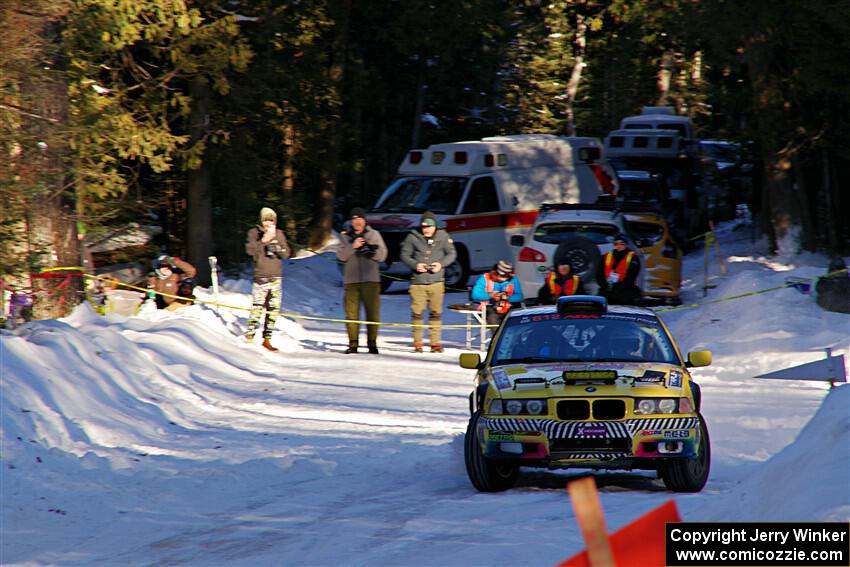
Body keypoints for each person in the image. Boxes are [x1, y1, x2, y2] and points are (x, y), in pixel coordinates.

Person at [400, 211, 457, 353]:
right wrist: (415, 265)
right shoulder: (412, 237)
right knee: (417, 313)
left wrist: (441, 264)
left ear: (435, 227)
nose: (426, 229)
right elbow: (404, 255)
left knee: (436, 313)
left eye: (429, 227)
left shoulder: (443, 236)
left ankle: (435, 343)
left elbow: (452, 254)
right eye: (424, 226)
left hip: (436, 282)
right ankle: (418, 342)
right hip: (418, 283)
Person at [336, 207, 388, 354]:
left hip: (371, 280)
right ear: (351, 221)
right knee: (352, 314)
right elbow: (340, 256)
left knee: (373, 313)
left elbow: (383, 255)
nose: (357, 222)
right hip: (351, 281)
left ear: (365, 221)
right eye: (354, 219)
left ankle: (372, 343)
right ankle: (353, 344)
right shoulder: (344, 237)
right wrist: (353, 247)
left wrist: (370, 251)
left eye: (360, 219)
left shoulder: (374, 234)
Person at [245, 207, 290, 352]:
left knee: (273, 309)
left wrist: (278, 247)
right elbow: (250, 251)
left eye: (271, 220)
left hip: (276, 277)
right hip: (261, 277)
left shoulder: (279, 234)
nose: (268, 223)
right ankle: (250, 336)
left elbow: (287, 254)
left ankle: (267, 339)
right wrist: (263, 241)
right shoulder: (254, 233)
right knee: (257, 307)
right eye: (266, 220)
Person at [470, 259, 525, 328]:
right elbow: (475, 294)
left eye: (506, 278)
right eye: (501, 277)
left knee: (517, 317)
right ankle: (498, 337)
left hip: (507, 309)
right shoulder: (485, 278)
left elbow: (520, 296)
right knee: (493, 317)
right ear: (495, 273)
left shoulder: (513, 279)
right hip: (488, 310)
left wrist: (508, 297)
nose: (503, 280)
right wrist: (490, 295)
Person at [597, 233, 641, 305]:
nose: (619, 246)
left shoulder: (633, 257)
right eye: (616, 243)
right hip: (607, 288)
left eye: (622, 243)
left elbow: (631, 277)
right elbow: (599, 274)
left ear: (626, 244)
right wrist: (605, 286)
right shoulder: (606, 256)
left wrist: (618, 289)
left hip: (624, 290)